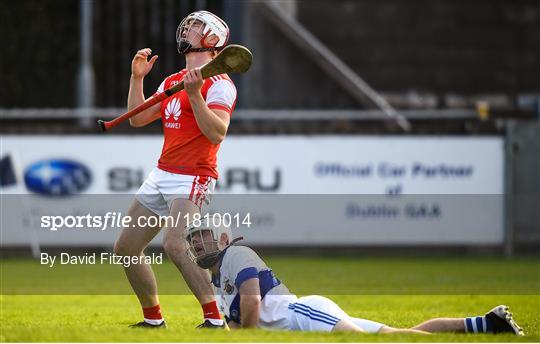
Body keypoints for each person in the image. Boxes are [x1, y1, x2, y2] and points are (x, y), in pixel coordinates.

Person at [184, 220, 525, 335]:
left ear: (225, 239)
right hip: (302, 321)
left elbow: (251, 299)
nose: (198, 243)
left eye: (203, 235)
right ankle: (486, 324)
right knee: (396, 334)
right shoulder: (216, 281)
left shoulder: (237, 255)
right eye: (193, 239)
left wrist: (250, 334)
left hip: (303, 315)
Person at [113, 10, 236, 329]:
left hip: (195, 175)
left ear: (212, 41)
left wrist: (195, 95)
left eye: (197, 27)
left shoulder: (220, 85)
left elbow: (217, 132)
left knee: (175, 243)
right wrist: (137, 78)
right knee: (126, 248)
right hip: (162, 173)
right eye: (189, 25)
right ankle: (153, 320)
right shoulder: (171, 81)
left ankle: (214, 319)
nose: (188, 29)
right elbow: (137, 118)